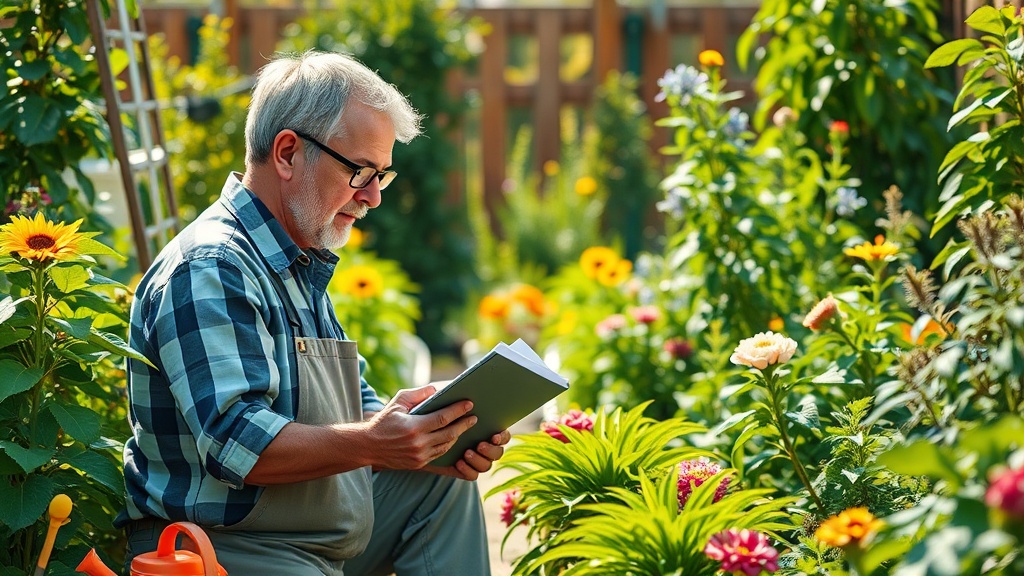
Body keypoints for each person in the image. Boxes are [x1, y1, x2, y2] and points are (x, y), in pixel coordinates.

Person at [117, 51, 511, 576]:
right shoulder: (211, 267)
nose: (372, 197)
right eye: (360, 172)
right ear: (287, 153)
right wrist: (375, 441)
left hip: (306, 539)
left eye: (382, 176)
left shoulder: (295, 259)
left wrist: (432, 432)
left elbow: (354, 413)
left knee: (438, 485)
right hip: (224, 549)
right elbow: (237, 443)